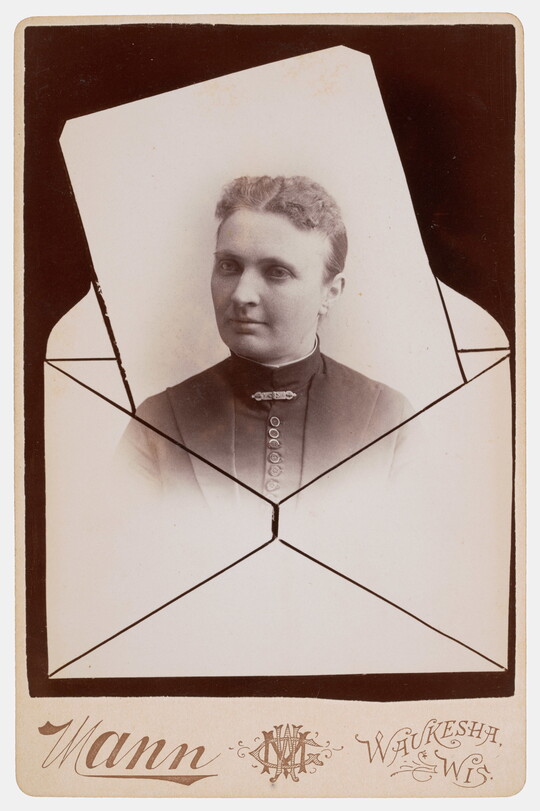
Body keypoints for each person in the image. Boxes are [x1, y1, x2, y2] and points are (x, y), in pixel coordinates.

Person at [120, 176, 411, 506]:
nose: (242, 295)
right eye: (229, 266)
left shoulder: (389, 420)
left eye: (277, 272)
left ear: (330, 291)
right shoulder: (158, 422)